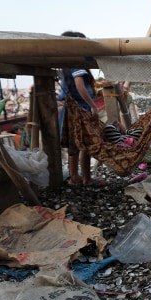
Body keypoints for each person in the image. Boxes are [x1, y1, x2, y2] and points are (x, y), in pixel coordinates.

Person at [58, 31, 103, 187]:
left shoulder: (65, 65)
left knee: (74, 145)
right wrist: (92, 105)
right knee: (86, 144)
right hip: (81, 109)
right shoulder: (77, 62)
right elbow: (79, 84)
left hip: (69, 109)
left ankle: (74, 177)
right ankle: (87, 178)